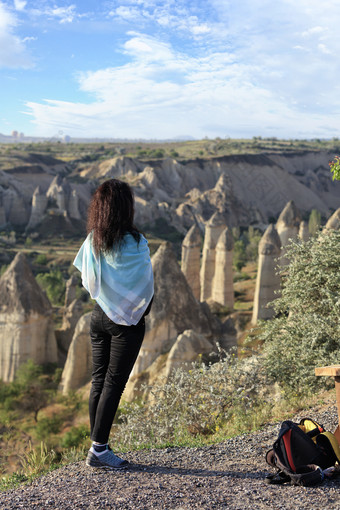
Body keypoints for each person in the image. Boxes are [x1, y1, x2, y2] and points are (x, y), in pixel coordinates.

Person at [73, 179, 154, 470]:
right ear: (127, 208)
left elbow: (87, 278)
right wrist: (135, 311)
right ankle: (99, 449)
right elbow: (146, 285)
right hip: (127, 324)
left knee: (99, 381)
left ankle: (98, 445)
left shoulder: (95, 238)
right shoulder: (136, 242)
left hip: (99, 316)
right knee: (113, 385)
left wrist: (107, 297)